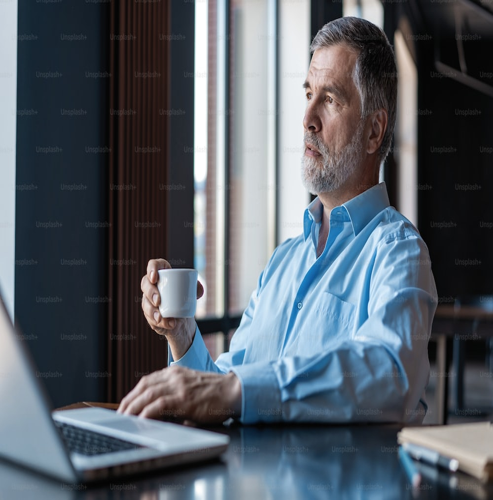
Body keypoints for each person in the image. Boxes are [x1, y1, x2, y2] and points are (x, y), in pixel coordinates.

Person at [118, 17, 437, 424]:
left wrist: (238, 390)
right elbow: (226, 390)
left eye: (331, 99)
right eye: (308, 94)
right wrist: (181, 334)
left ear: (374, 132)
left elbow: (392, 374)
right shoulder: (283, 261)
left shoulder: (400, 252)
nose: (307, 118)